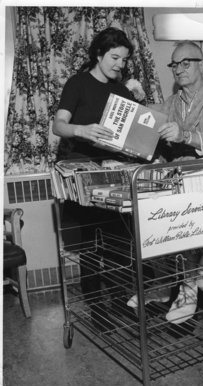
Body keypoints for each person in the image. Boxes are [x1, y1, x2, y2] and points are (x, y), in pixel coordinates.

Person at [127, 41, 203, 324]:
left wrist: (185, 136)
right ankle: (165, 281)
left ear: (202, 64)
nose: (179, 69)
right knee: (143, 196)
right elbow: (159, 133)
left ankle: (188, 287)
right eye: (174, 64)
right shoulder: (173, 103)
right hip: (182, 172)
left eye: (185, 63)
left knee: (180, 201)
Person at [52, 27, 135, 331]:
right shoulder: (78, 84)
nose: (119, 65)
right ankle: (96, 307)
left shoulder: (123, 92)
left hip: (113, 170)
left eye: (124, 60)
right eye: (115, 57)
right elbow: (58, 125)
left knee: (117, 241)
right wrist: (81, 129)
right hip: (83, 172)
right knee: (90, 242)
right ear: (98, 55)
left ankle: (118, 300)